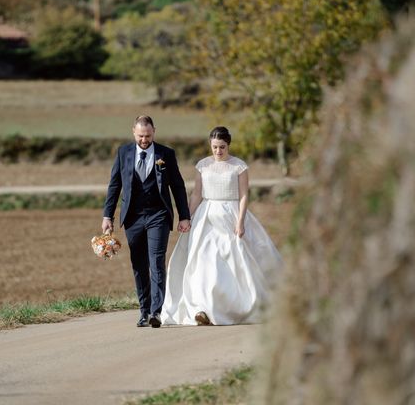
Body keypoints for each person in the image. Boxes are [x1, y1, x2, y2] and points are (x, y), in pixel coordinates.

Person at [161, 126, 282, 326]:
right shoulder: (202, 165)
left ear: (228, 145)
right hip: (206, 217)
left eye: (222, 147)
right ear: (210, 145)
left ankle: (236, 307)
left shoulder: (239, 166)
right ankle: (203, 309)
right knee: (203, 262)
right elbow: (197, 194)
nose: (218, 151)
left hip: (231, 214)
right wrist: (187, 217)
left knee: (234, 262)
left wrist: (240, 221)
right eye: (215, 147)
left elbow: (244, 195)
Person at [102, 115, 191, 328]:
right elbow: (115, 186)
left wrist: (184, 215)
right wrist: (108, 216)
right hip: (133, 217)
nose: (144, 140)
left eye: (148, 136)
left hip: (158, 214)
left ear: (154, 132)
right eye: (141, 136)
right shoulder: (123, 153)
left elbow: (177, 186)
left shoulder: (166, 154)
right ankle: (144, 311)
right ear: (134, 132)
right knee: (139, 265)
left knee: (157, 261)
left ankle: (156, 312)